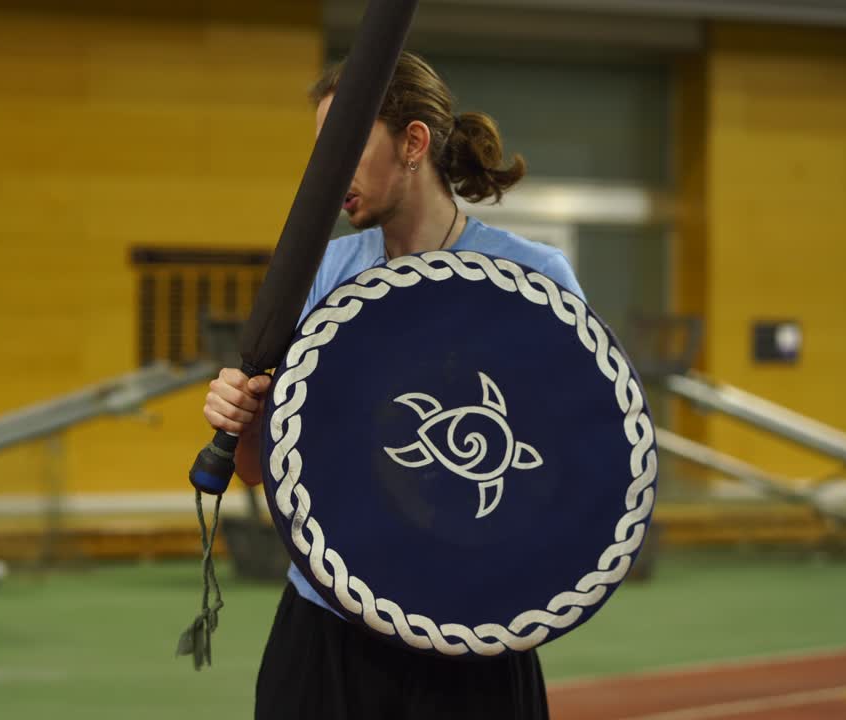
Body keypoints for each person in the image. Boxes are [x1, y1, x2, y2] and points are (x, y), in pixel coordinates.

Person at [202, 51, 583, 719]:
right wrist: (242, 414)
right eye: (322, 153)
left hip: (473, 632)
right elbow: (260, 470)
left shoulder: (532, 279)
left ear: (414, 143)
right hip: (331, 626)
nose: (328, 176)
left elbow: (576, 462)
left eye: (347, 147)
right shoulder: (322, 273)